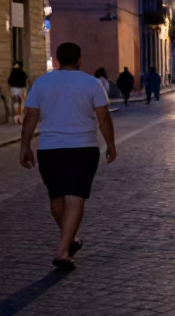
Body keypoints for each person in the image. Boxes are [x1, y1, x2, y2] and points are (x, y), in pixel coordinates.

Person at [19, 42, 117, 271]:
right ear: (80, 59)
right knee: (75, 199)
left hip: (49, 149)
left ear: (57, 59)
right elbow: (103, 118)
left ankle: (69, 240)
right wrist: (110, 144)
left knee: (56, 199)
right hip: (82, 147)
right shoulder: (91, 83)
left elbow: (30, 117)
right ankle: (62, 251)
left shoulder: (42, 83)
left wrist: (25, 146)